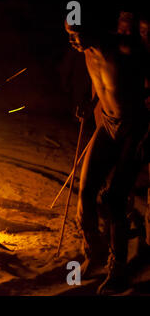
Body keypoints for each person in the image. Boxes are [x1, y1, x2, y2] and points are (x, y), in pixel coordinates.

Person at [65, 18, 149, 294]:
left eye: (76, 35)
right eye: (69, 35)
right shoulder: (86, 52)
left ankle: (119, 269)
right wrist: (90, 106)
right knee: (86, 191)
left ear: (91, 29)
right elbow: (105, 87)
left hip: (133, 128)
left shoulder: (124, 50)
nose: (72, 41)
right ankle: (95, 253)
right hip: (108, 126)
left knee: (114, 197)